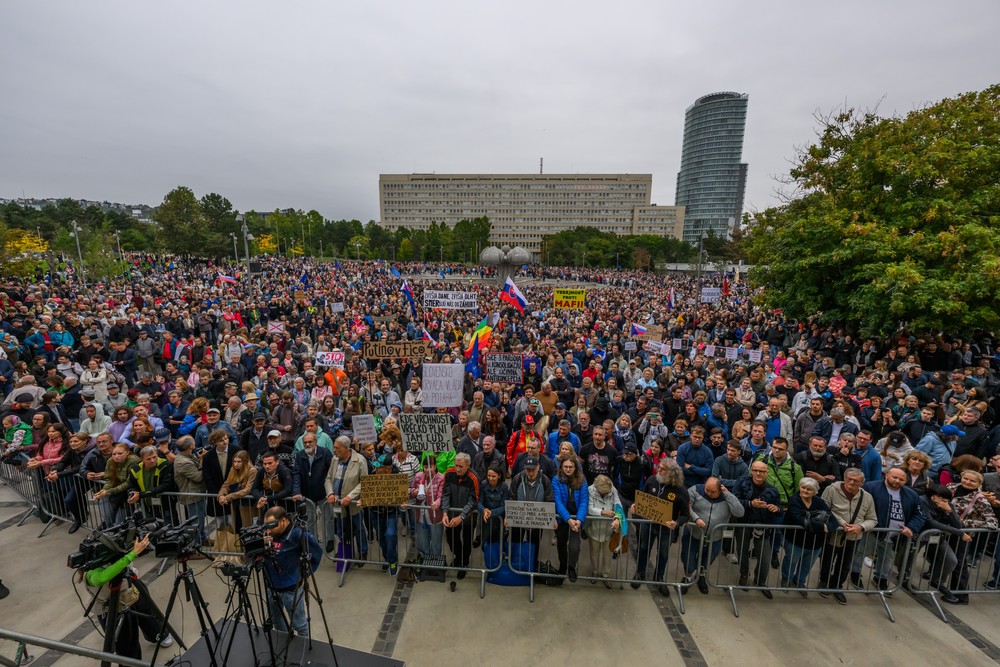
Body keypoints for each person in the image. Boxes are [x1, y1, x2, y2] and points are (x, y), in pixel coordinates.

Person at [81, 534, 172, 660]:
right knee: (125, 639)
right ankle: (130, 661)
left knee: (149, 613)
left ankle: (159, 634)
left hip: (131, 590)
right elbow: (101, 578)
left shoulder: (116, 556)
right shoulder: (90, 573)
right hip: (112, 606)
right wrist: (132, 554)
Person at [852, 467, 926, 592]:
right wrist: (864, 524)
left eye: (901, 479)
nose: (897, 481)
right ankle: (855, 573)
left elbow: (919, 515)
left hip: (895, 535)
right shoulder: (871, 487)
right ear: (886, 475)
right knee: (860, 552)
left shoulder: (912, 494)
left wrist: (911, 528)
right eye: (894, 477)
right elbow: (859, 507)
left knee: (887, 559)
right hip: (872, 531)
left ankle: (881, 578)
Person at [630, 458, 690, 597]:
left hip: (666, 528)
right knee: (643, 548)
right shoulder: (652, 480)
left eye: (663, 469)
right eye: (659, 467)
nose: (659, 470)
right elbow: (642, 497)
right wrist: (635, 505)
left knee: (663, 553)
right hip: (648, 524)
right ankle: (640, 573)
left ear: (672, 472)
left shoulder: (681, 490)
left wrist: (677, 523)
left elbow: (685, 515)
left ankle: (659, 577)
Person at [261, 505, 323, 637]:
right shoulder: (267, 534)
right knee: (277, 621)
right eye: (266, 526)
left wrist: (305, 573)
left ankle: (303, 646)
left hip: (291, 590)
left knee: (299, 625)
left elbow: (316, 553)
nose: (269, 530)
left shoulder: (298, 534)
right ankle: (285, 642)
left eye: (272, 526)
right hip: (271, 586)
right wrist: (262, 546)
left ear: (283, 521)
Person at [818, 469, 876, 604]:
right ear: (844, 478)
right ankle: (824, 582)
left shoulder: (867, 497)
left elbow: (872, 519)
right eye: (849, 479)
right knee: (827, 559)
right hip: (834, 534)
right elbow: (824, 509)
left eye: (856, 481)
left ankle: (837, 585)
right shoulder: (831, 490)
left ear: (862, 483)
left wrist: (860, 527)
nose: (851, 482)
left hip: (854, 537)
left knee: (845, 563)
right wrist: (842, 523)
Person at [683, 477, 745, 594]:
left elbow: (740, 512)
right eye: (707, 490)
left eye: (713, 491)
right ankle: (688, 577)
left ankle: (701, 576)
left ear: (720, 489)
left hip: (715, 537)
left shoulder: (727, 497)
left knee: (708, 559)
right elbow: (686, 505)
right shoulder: (695, 490)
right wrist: (696, 518)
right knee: (688, 557)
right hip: (693, 533)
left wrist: (728, 495)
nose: (709, 493)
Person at [732, 460, 782, 597]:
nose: (758, 473)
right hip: (743, 523)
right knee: (742, 551)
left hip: (762, 526)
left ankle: (760, 581)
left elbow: (780, 509)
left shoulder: (773, 490)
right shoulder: (741, 483)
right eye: (756, 470)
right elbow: (734, 501)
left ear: (767, 473)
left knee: (765, 557)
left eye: (762, 471)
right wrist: (750, 503)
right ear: (751, 471)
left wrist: (776, 508)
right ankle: (744, 575)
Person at [781, 477, 839, 594]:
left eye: (809, 489)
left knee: (808, 564)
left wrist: (829, 526)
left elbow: (833, 519)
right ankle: (787, 579)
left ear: (815, 492)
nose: (805, 491)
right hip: (795, 539)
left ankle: (800, 581)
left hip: (815, 542)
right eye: (803, 487)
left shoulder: (819, 501)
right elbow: (799, 519)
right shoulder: (794, 500)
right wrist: (822, 526)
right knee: (791, 561)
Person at [920, 484, 969, 604]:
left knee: (951, 560)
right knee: (907, 558)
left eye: (946, 500)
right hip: (919, 534)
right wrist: (960, 533)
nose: (944, 502)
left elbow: (958, 525)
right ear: (933, 496)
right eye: (941, 499)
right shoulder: (922, 501)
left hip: (938, 537)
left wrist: (950, 511)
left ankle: (937, 580)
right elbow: (931, 522)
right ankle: (904, 577)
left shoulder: (947, 504)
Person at [507, 455, 554, 572]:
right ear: (524, 468)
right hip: (519, 518)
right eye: (528, 469)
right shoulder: (517, 478)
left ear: (538, 467)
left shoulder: (545, 480)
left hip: (537, 520)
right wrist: (508, 516)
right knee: (515, 542)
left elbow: (549, 499)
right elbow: (512, 497)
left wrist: (552, 517)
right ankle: (514, 566)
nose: (531, 472)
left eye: (533, 469)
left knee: (534, 544)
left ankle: (532, 566)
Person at [325, 436, 369, 560]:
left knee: (359, 528)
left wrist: (350, 496)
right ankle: (345, 551)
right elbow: (328, 478)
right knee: (340, 528)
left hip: (353, 503)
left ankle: (363, 551)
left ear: (346, 448)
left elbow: (364, 482)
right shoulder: (334, 459)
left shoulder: (360, 460)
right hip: (337, 503)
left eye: (337, 448)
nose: (334, 450)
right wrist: (330, 493)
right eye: (334, 447)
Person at [441, 452, 479, 578]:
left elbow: (473, 500)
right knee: (451, 539)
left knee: (467, 541)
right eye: (456, 465)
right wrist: (445, 512)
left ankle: (464, 563)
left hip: (468, 517)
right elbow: (445, 494)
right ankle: (458, 556)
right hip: (452, 514)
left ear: (468, 466)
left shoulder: (473, 478)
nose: (457, 469)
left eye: (461, 466)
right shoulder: (449, 473)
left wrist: (461, 516)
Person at [552, 454, 588, 582]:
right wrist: (568, 519)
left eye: (570, 467)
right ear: (561, 467)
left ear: (575, 467)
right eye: (565, 466)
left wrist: (579, 520)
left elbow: (584, 501)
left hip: (576, 518)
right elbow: (558, 501)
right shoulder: (556, 480)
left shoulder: (582, 480)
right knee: (561, 543)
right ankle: (562, 566)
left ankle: (571, 567)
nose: (568, 469)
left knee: (575, 547)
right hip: (562, 518)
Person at [586, 474, 624, 586]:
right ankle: (594, 572)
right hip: (594, 528)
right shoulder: (590, 490)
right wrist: (603, 512)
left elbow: (618, 505)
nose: (606, 494)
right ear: (597, 489)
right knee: (594, 553)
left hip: (609, 529)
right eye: (604, 493)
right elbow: (590, 508)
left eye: (607, 492)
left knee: (608, 554)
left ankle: (605, 575)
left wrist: (617, 518)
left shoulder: (612, 489)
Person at [172, 435, 208, 548]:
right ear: (190, 446)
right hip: (192, 496)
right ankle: (195, 546)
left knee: (201, 519)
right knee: (196, 522)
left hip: (198, 493)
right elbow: (198, 477)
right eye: (193, 441)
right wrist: (202, 460)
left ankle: (203, 538)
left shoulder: (189, 456)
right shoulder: (183, 461)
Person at [410, 454, 446, 568]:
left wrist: (437, 503)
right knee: (422, 540)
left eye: (430, 467)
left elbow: (441, 495)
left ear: (435, 466)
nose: (427, 470)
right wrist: (414, 492)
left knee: (436, 541)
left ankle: (435, 561)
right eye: (425, 467)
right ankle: (424, 559)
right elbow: (411, 490)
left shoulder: (440, 478)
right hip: (420, 514)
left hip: (435, 515)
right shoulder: (418, 476)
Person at [218, 450, 257, 530]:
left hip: (247, 504)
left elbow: (247, 489)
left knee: (247, 528)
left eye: (239, 462)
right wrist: (221, 496)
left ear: (245, 461)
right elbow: (226, 485)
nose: (236, 464)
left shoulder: (252, 470)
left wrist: (228, 497)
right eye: (234, 461)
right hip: (235, 503)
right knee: (237, 527)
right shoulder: (233, 469)